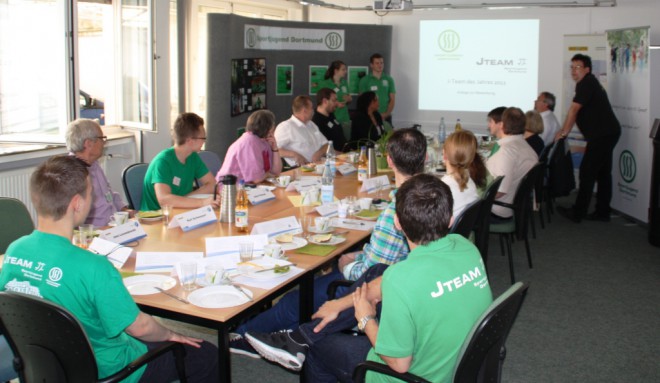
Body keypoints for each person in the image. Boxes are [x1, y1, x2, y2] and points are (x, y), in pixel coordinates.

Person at [246, 174, 493, 382]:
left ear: (397, 223)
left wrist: (365, 319)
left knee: (319, 349)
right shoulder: (464, 246)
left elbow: (399, 364)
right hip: (459, 359)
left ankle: (304, 342)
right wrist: (342, 304)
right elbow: (389, 279)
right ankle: (300, 337)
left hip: (410, 375)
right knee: (378, 271)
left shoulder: (402, 278)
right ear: (450, 219)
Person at [0, 156, 218, 382]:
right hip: (112, 370)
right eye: (90, 193)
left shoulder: (14, 251)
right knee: (207, 355)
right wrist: (172, 334)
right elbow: (140, 328)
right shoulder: (93, 266)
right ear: (77, 203)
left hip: (50, 367)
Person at [229, 128, 426, 357]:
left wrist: (347, 264)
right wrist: (357, 255)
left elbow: (372, 274)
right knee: (331, 265)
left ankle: (242, 336)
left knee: (294, 300)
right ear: (424, 159)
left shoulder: (396, 213)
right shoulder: (424, 196)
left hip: (373, 289)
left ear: (389, 161)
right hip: (400, 278)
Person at [555, 54, 621, 223]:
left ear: (587, 69)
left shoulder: (587, 83)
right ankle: (602, 212)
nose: (573, 71)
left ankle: (578, 212)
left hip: (602, 135)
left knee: (587, 172)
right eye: (572, 67)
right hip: (607, 133)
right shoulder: (587, 83)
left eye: (577, 67)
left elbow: (574, 110)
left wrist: (564, 133)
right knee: (603, 173)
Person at [141, 113, 220, 211]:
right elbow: (164, 200)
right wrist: (202, 202)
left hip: (180, 211)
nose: (204, 142)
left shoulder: (193, 157)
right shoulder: (162, 162)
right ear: (190, 141)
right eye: (203, 138)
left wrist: (185, 199)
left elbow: (212, 185)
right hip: (156, 218)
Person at [66, 118, 130, 226]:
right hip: (94, 233)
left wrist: (125, 210)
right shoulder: (71, 171)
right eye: (102, 139)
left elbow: (108, 193)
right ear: (89, 143)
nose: (104, 143)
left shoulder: (94, 164)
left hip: (112, 226)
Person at [486, 107, 538, 220]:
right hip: (513, 205)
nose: (488, 125)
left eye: (490, 122)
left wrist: (474, 199)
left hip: (496, 210)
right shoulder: (522, 144)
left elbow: (499, 192)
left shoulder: (506, 152)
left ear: (501, 124)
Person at [216, 110, 282, 184]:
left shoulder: (263, 140)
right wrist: (268, 175)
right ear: (267, 127)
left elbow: (276, 172)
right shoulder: (249, 142)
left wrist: (275, 148)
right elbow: (256, 179)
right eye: (272, 125)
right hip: (232, 187)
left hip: (252, 186)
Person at [274, 95, 329, 167]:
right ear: (304, 111)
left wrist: (319, 152)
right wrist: (294, 155)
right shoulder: (285, 127)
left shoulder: (311, 124)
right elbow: (274, 150)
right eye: (311, 108)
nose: (313, 110)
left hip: (319, 165)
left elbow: (326, 144)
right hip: (300, 169)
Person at [442, 131, 481, 218]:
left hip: (446, 231)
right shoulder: (470, 183)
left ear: (444, 155)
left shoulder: (442, 188)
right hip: (462, 230)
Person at [317, 61, 352, 135]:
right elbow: (321, 102)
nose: (345, 71)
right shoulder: (325, 84)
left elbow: (349, 98)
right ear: (336, 71)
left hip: (345, 118)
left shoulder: (344, 83)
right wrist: (336, 103)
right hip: (332, 118)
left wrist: (348, 99)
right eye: (343, 69)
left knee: (345, 141)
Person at [358, 53, 396, 123]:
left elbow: (392, 99)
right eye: (377, 63)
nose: (380, 65)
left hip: (386, 116)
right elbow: (362, 102)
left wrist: (386, 114)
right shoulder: (364, 80)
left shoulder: (389, 79)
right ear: (371, 65)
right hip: (370, 117)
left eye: (381, 63)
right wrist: (371, 115)